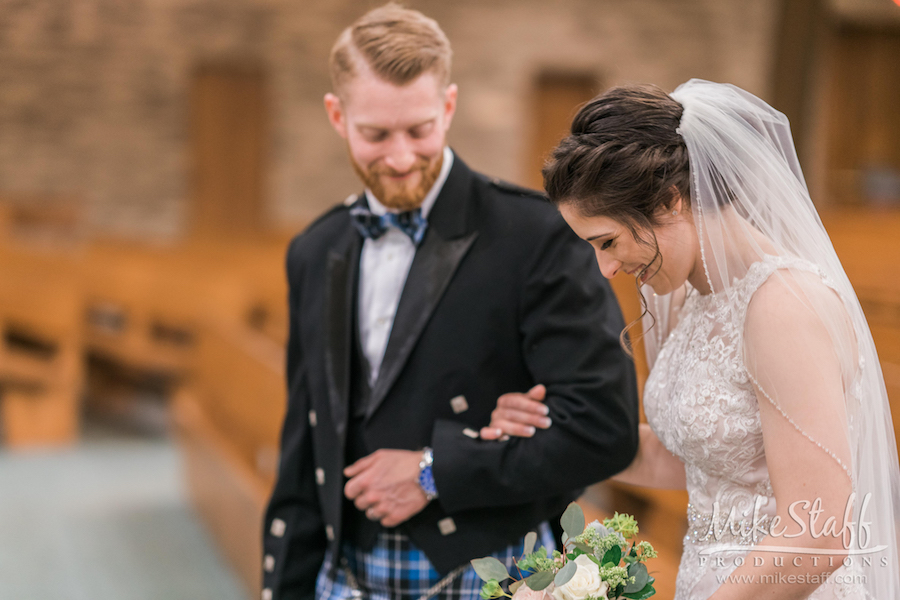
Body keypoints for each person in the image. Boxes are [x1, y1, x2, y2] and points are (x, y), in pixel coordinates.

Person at [261, 5, 640, 599]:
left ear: (449, 106)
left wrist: (433, 471)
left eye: (419, 130)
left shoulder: (535, 236)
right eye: (376, 134)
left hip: (487, 570)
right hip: (343, 576)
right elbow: (306, 443)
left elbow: (605, 429)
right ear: (337, 116)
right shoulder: (316, 249)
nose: (400, 156)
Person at [481, 80, 900, 599]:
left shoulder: (783, 308)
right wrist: (554, 435)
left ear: (670, 199)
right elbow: (704, 459)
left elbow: (817, 533)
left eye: (607, 241)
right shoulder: (688, 294)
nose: (606, 268)